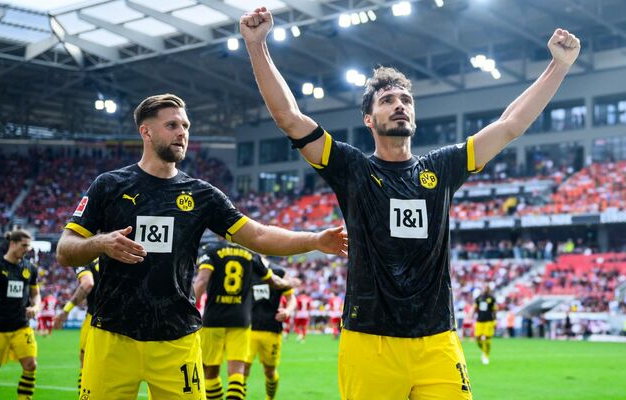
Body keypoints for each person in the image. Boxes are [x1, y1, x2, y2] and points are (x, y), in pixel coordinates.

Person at [241, 6, 580, 398]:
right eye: (387, 100)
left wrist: (559, 66)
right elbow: (289, 117)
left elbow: (509, 125)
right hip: (369, 341)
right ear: (369, 118)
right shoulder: (351, 168)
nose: (400, 104)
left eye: (406, 99)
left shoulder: (443, 167)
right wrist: (257, 45)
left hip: (437, 340)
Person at [56, 93, 348, 400]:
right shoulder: (109, 185)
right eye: (172, 125)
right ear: (146, 131)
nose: (182, 132)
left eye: (185, 125)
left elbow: (259, 236)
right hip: (112, 336)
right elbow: (65, 249)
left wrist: (315, 240)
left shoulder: (201, 194)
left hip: (177, 339)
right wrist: (101, 242)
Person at [193, 239, 296, 400]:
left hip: (215, 318)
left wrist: (189, 307)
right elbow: (274, 281)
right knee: (238, 373)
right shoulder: (250, 255)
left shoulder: (210, 250)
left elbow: (202, 281)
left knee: (211, 372)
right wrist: (289, 283)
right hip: (241, 320)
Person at [0, 229, 41, 400]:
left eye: (29, 246)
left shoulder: (30, 269)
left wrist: (35, 307)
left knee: (31, 364)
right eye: (24, 245)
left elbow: (36, 294)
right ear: (12, 244)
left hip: (21, 326)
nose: (27, 249)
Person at [245, 261, 296, 400]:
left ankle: (270, 398)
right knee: (242, 369)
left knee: (270, 371)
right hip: (248, 329)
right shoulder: (247, 269)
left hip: (271, 329)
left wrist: (287, 310)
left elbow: (292, 299)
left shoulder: (278, 272)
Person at [54, 260, 99, 396]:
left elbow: (87, 283)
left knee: (85, 364)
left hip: (96, 320)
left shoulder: (84, 258)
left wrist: (66, 310)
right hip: (122, 320)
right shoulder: (118, 252)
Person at [474, 286, 497, 365]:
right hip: (479, 321)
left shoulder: (492, 299)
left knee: (487, 338)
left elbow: (494, 310)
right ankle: (484, 352)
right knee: (477, 339)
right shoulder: (478, 298)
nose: (485, 289)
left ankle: (486, 356)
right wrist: (471, 315)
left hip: (489, 321)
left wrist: (495, 320)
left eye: (487, 288)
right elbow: (475, 308)